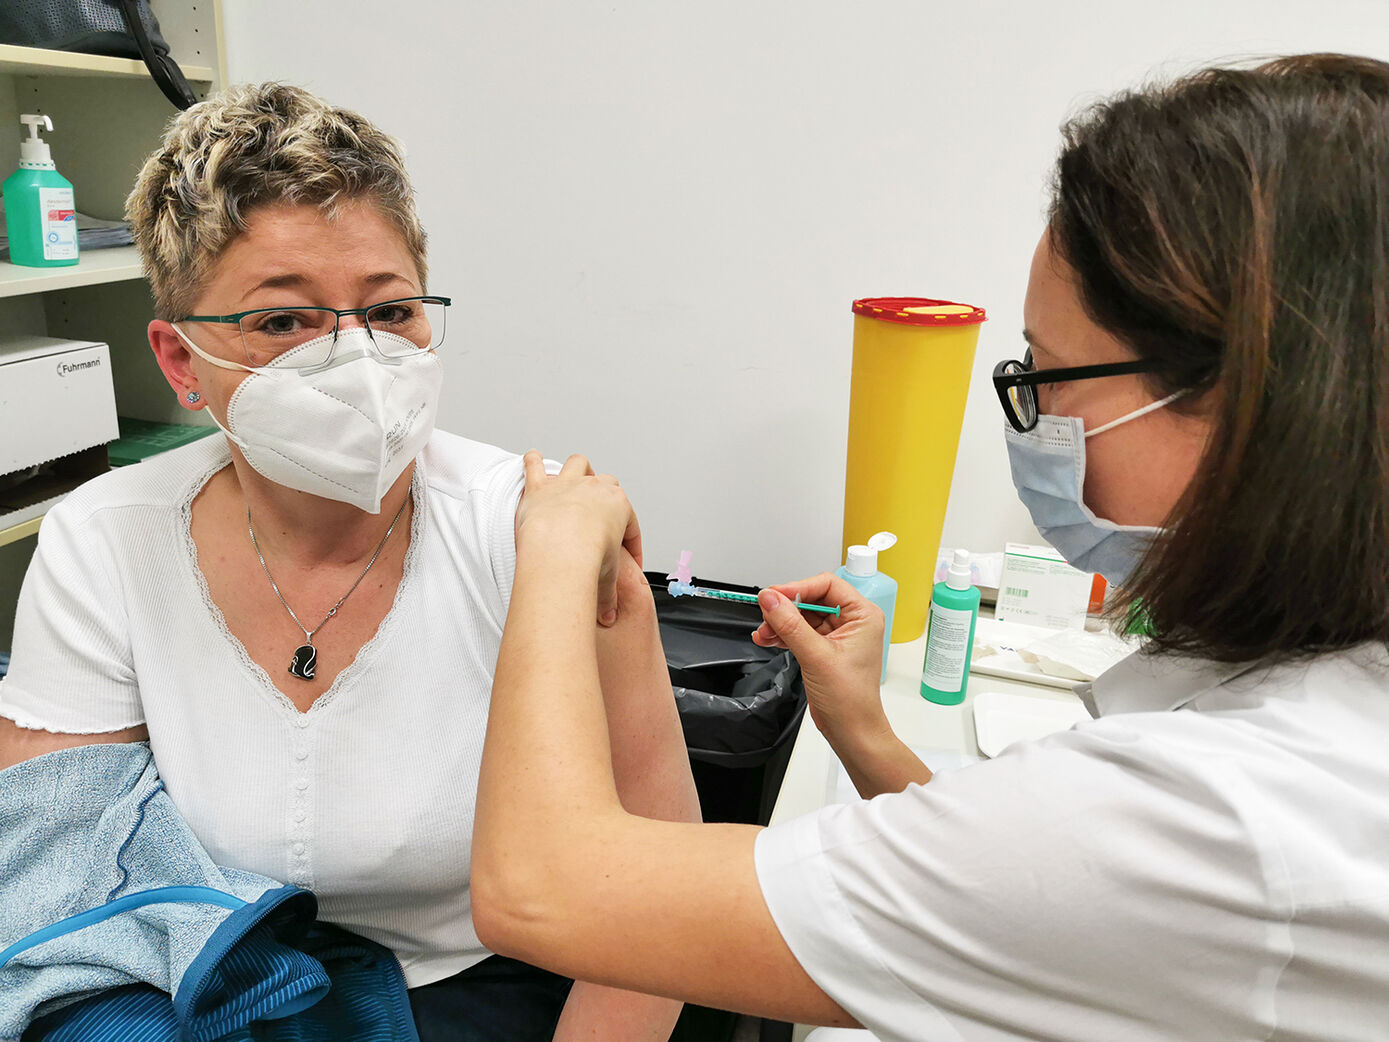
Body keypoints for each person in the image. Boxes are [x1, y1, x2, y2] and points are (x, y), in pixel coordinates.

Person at [470, 53, 1389, 1040]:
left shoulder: (1231, 814)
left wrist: (556, 554)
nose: (1032, 420)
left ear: (1251, 395)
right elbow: (1039, 885)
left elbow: (547, 888)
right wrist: (860, 725)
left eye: (1047, 375)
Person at [0, 83, 699, 1041]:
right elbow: (69, 876)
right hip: (208, 983)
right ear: (179, 361)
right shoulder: (105, 539)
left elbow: (660, 902)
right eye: (283, 322)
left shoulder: (543, 533)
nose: (356, 359)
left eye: (390, 310)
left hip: (480, 988)